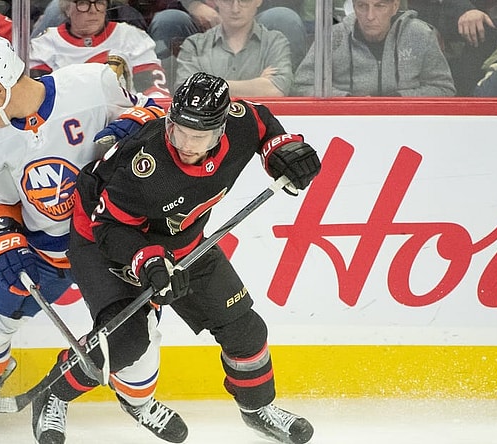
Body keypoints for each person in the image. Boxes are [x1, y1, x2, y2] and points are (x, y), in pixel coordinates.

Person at [27, 72, 320, 444]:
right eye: (178, 129)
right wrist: (148, 262)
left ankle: (258, 409)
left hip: (182, 241)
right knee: (126, 341)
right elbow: (110, 228)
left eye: (198, 136)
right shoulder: (145, 165)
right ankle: (52, 392)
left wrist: (282, 150)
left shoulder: (240, 123)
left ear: (223, 127)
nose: (184, 143)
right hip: (103, 237)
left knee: (244, 328)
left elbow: (263, 123)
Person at [0, 33, 183, 442]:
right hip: (46, 251)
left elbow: (159, 113)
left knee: (138, 343)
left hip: (109, 244)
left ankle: (138, 402)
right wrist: (7, 239)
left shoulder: (92, 84)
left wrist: (137, 122)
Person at [292, 0, 456, 96]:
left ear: (394, 6)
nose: (370, 16)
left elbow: (444, 89)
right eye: (362, 6)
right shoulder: (333, 37)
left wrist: (397, 100)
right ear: (354, 7)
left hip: (408, 126)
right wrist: (347, 101)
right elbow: (301, 86)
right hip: (346, 124)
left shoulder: (420, 35)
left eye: (379, 6)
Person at [29, 0, 170, 98]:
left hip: (127, 119)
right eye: (83, 3)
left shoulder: (130, 36)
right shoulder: (45, 43)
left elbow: (155, 91)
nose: (93, 11)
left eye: (99, 3)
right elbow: (37, 98)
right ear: (67, 9)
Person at [173, 0, 294, 96]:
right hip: (208, 124)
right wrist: (258, 84)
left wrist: (207, 86)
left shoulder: (275, 42)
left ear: (258, 1)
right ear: (217, 1)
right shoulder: (195, 45)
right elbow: (186, 91)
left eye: (244, 1)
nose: (235, 9)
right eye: (228, 0)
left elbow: (277, 90)